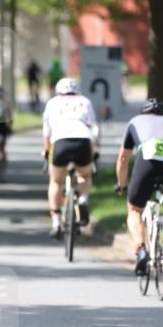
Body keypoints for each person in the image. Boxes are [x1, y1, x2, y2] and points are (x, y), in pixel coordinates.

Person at [114, 98, 163, 275]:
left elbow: (123, 158)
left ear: (144, 113)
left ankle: (141, 250)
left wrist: (122, 184)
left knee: (134, 211)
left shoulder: (135, 122)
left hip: (146, 159)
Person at [42, 77, 99, 238]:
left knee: (55, 181)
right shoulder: (85, 101)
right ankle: (83, 200)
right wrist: (93, 151)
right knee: (85, 176)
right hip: (83, 140)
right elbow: (94, 128)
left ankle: (55, 221)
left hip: (60, 142)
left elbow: (47, 132)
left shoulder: (53, 103)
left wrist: (46, 151)